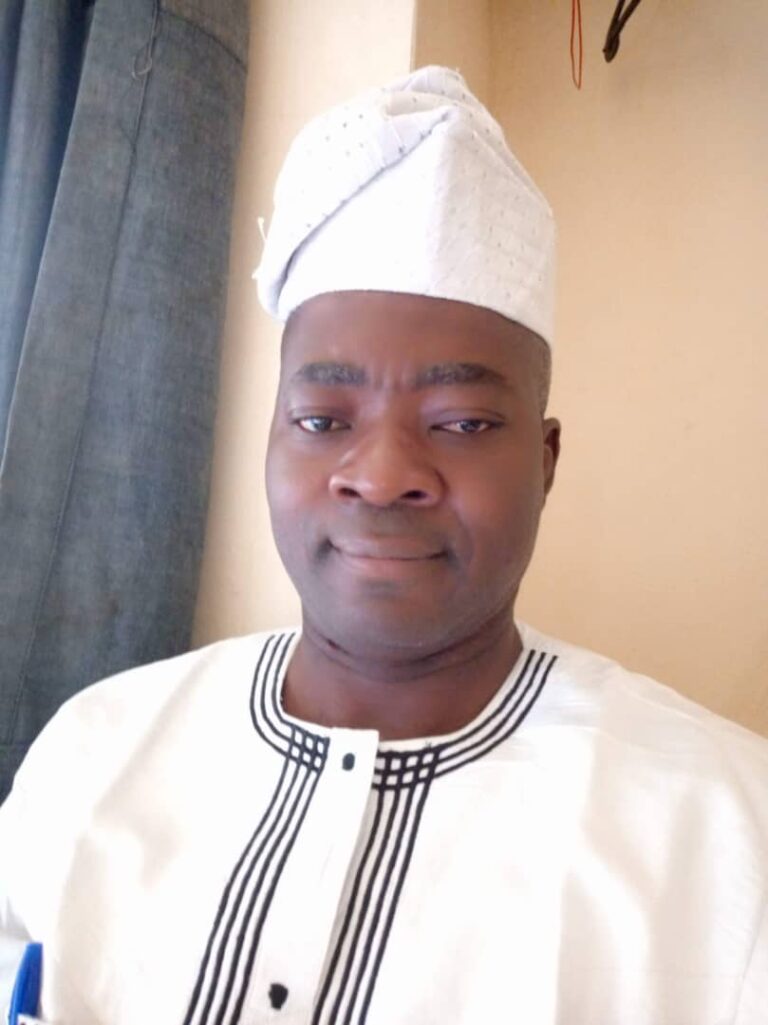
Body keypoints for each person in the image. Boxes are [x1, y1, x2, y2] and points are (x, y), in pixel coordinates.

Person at [1, 66, 766, 1025]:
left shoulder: (729, 836)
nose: (382, 472)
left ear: (545, 460)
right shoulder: (92, 757)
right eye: (323, 420)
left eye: (463, 421)